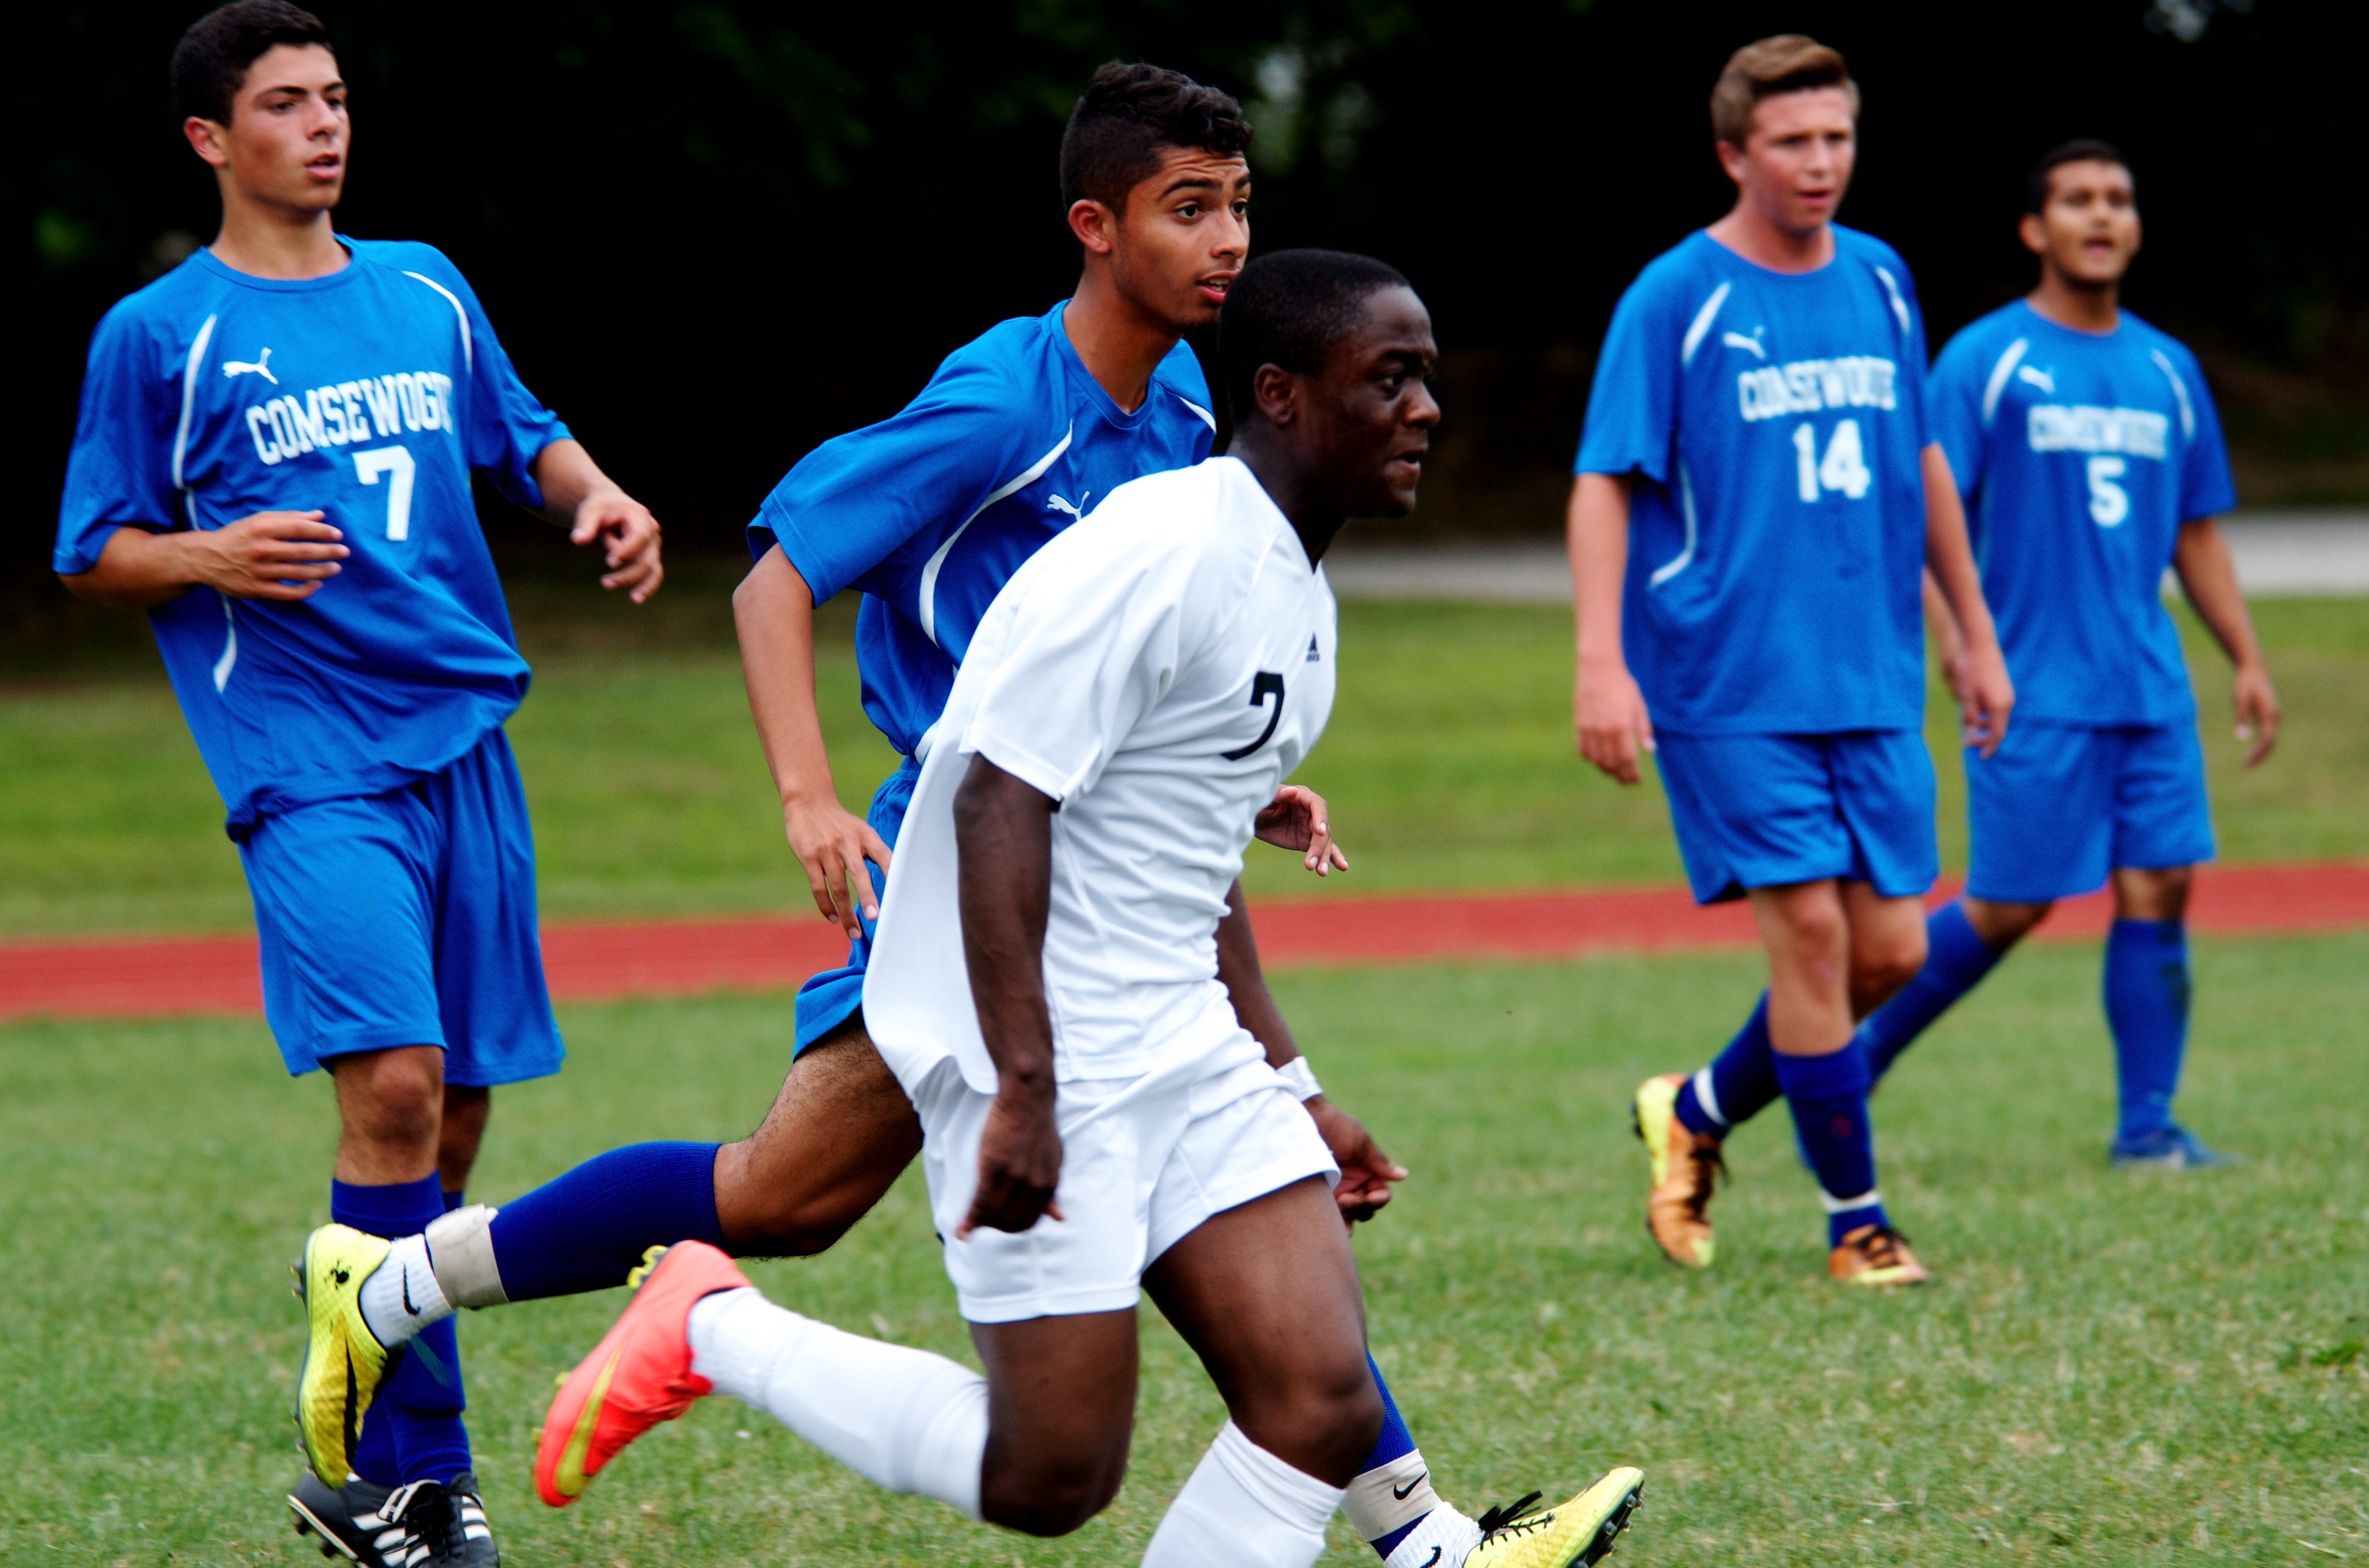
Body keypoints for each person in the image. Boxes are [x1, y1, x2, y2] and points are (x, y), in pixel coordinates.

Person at [290, 65, 1521, 1568]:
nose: (1226, 244)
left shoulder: (1206, 413)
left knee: (797, 1200)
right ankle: (445, 1288)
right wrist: (810, 797)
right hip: (963, 872)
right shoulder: (1009, 400)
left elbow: (1163, 680)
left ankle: (1423, 1535)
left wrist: (1235, 772)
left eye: (1240, 209)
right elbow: (779, 578)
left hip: (1104, 882)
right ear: (1095, 224)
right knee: (814, 1224)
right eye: (1188, 209)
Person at [527, 248, 1647, 1568]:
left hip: (1176, 1035)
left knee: (1319, 1396)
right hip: (1046, 1042)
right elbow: (995, 796)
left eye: (1429, 380)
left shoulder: (1292, 583)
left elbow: (1176, 844)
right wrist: (1025, 1085)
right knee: (1051, 1471)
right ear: (1281, 394)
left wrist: (1290, 1076)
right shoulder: (1168, 547)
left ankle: (1434, 1543)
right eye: (1389, 379)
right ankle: (708, 1320)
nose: (1426, 410)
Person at [51, 4, 664, 1564]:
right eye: (284, 104)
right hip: (307, 758)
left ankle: (357, 1459)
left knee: (450, 1122)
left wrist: (600, 500)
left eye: (334, 99)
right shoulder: (159, 334)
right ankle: (420, 1478)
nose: (323, 126)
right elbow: (93, 548)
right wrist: (208, 557)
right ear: (212, 139)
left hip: (467, 734)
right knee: (390, 1087)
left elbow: (525, 438)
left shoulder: (425, 285)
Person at [1568, 36, 2014, 1286]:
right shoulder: (1676, 295)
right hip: (1723, 674)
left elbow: (1922, 460)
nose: (1821, 163)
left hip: (1867, 669)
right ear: (1734, 154)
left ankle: (1699, 1107)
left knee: (1895, 952)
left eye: (1836, 139)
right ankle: (1857, 1223)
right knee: (1812, 937)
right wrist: (1602, 664)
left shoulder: (1881, 280)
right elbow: (1604, 482)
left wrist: (1971, 635)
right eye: (1792, 143)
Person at [1852, 140, 2274, 1166]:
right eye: (2077, 200)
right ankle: (1843, 1071)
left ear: (2135, 225)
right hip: (2031, 682)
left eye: (2118, 200)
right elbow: (1919, 508)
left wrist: (2246, 658)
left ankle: (2148, 1127)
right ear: (2034, 229)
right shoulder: (1985, 360)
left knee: (2161, 884)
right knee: (2008, 903)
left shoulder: (2168, 369)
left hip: (2148, 681)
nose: (2101, 216)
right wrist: (1956, 643)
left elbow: (2197, 531)